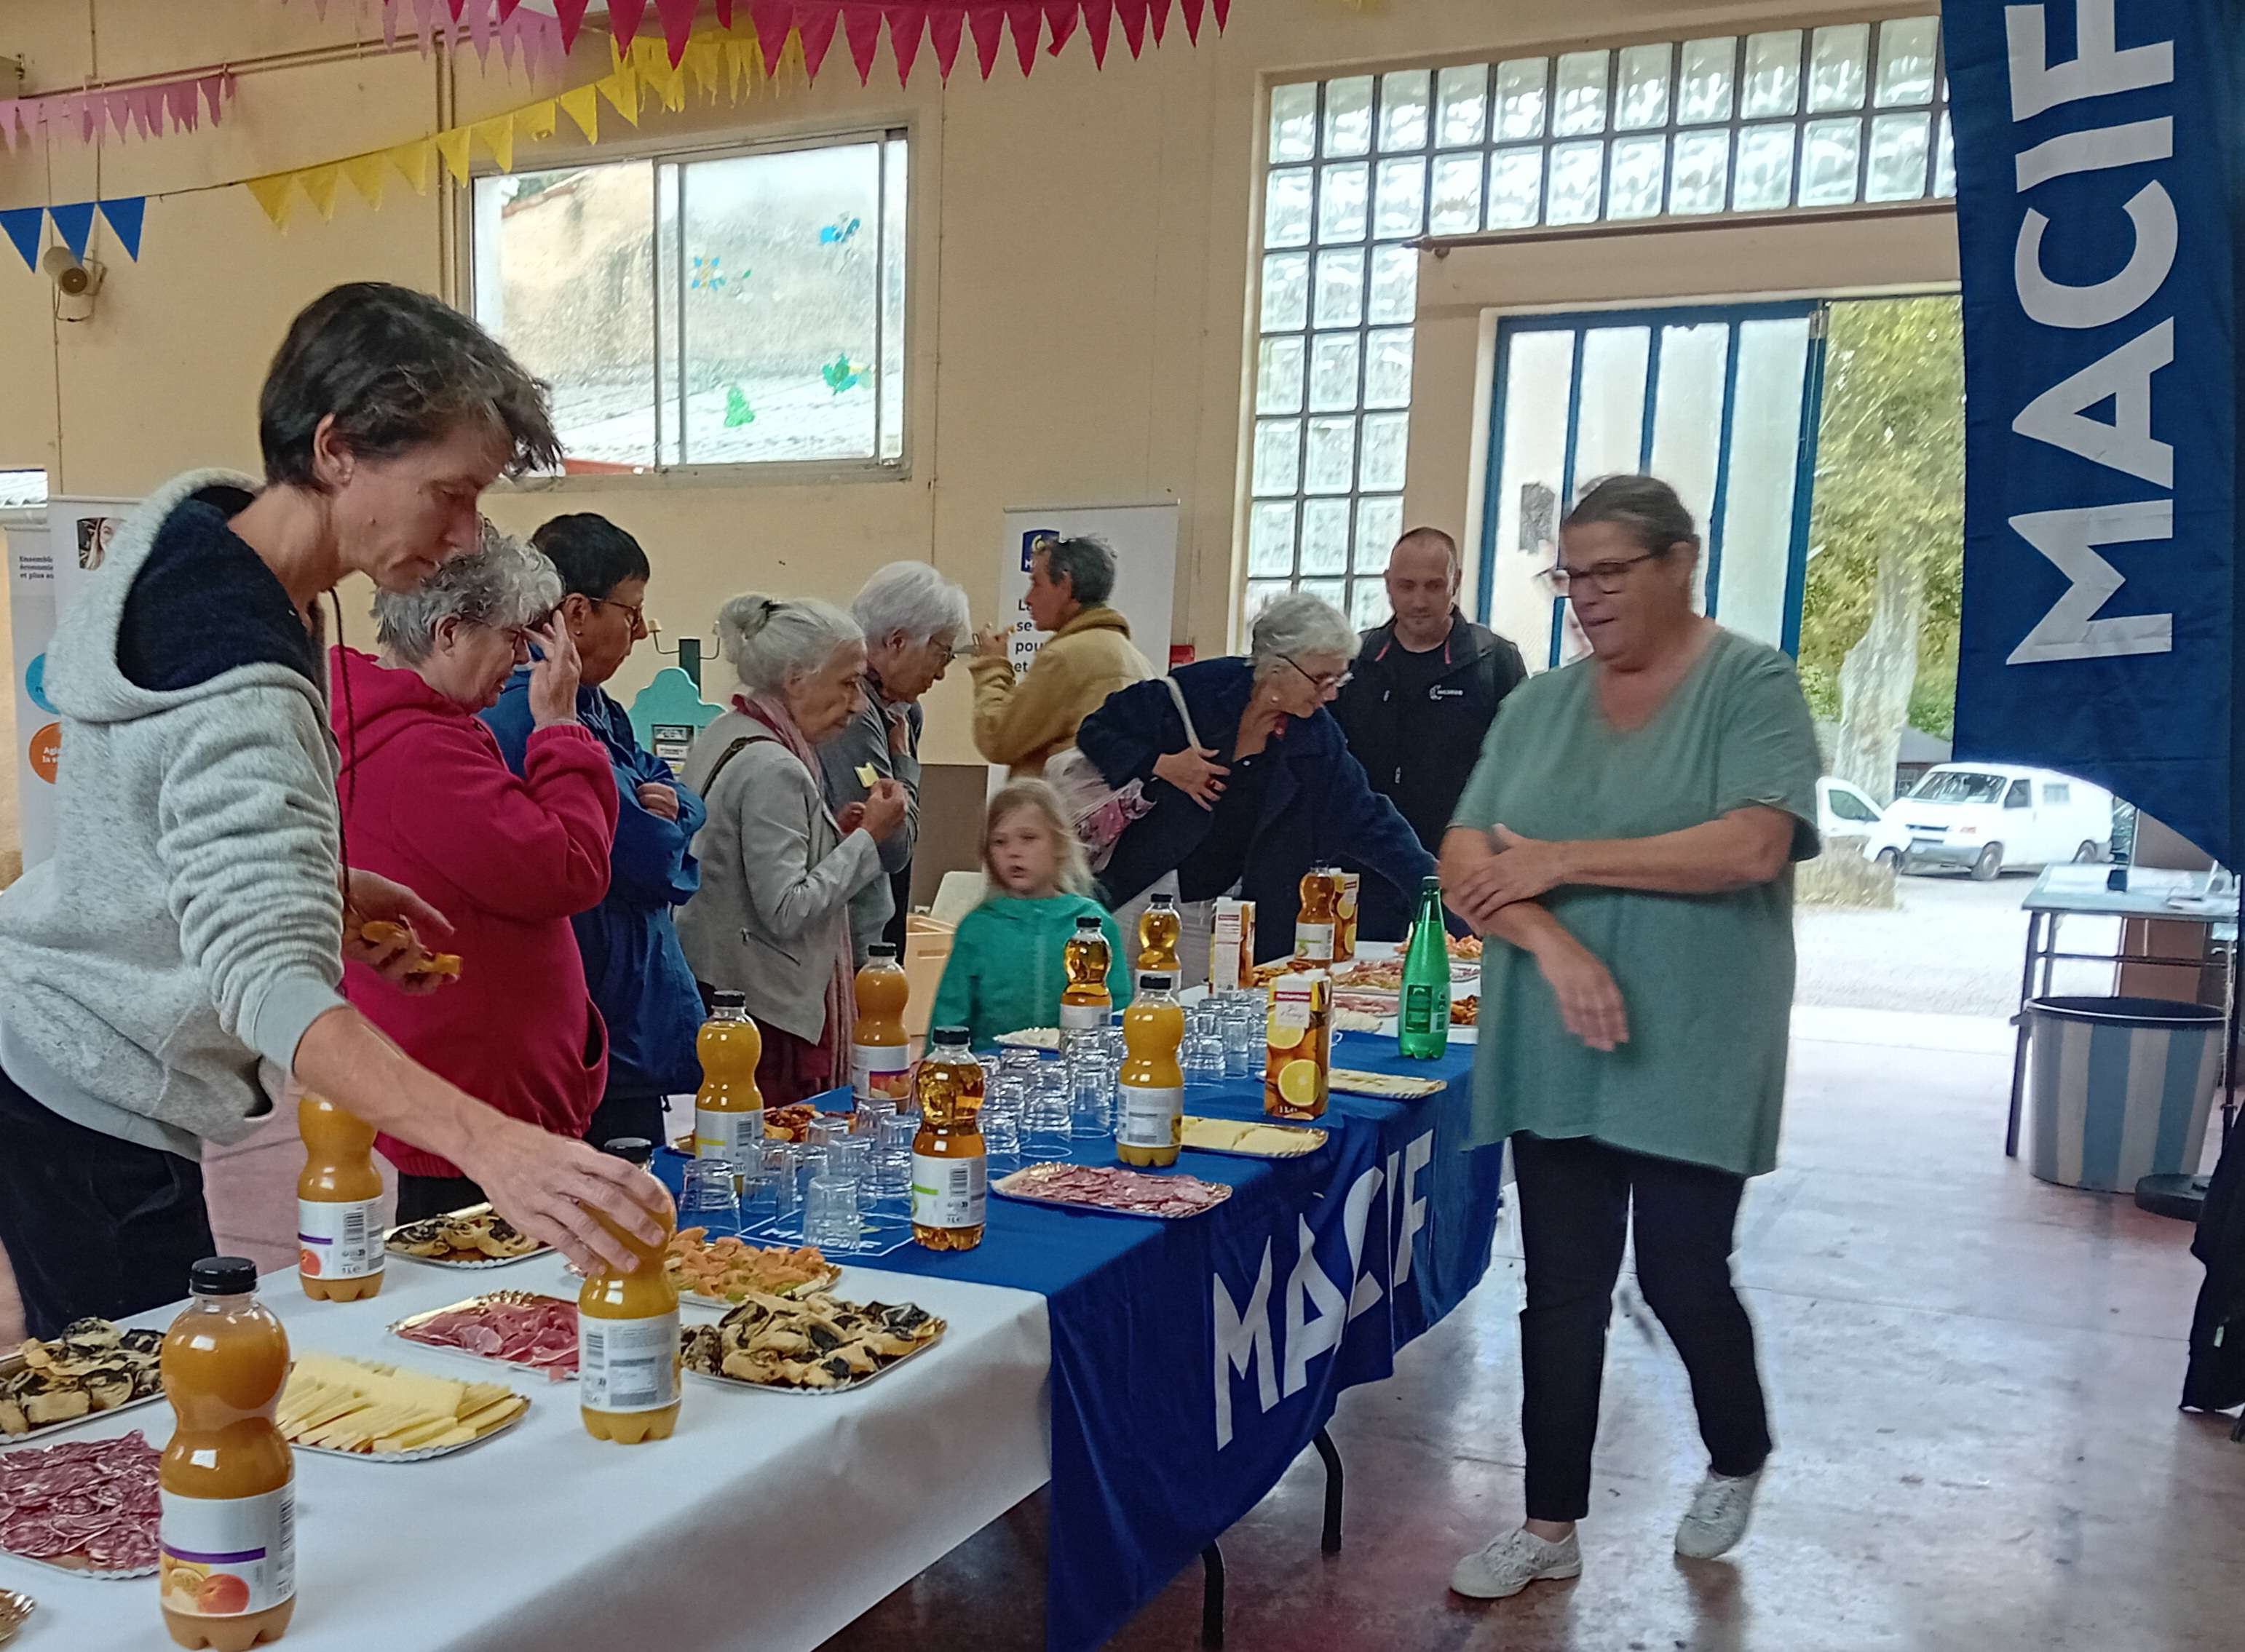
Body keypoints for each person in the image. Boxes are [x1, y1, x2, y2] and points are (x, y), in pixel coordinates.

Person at [0, 282, 667, 1338]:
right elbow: (268, 982)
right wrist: (494, 1144)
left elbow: (152, 819)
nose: (462, 535)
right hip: (92, 1083)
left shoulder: (214, 539)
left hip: (69, 1056)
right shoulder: (237, 663)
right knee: (154, 1428)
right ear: (337, 447)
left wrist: (320, 887)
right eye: (449, 494)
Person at [1438, 475, 1821, 1600]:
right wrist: (1553, 945)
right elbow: (1465, 860)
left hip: (1696, 1034)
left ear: (1679, 562)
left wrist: (1560, 856)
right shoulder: (1539, 705)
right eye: (1571, 575)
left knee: (1682, 1273)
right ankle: (1548, 1520)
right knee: (1561, 1286)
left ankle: (1737, 1449)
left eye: (1610, 572)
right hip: (1557, 1032)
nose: (1587, 598)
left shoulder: (1751, 683)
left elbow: (1752, 845)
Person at [335, 528, 618, 1224]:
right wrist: (558, 728)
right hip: (475, 1094)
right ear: (450, 631)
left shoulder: (427, 728)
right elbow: (569, 870)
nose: (524, 660)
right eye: (514, 638)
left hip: (477, 1077)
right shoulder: (419, 751)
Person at [486, 512, 708, 1151]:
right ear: (576, 612)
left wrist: (677, 810)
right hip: (592, 1018)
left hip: (622, 1013)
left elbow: (675, 792)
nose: (640, 631)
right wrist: (668, 821)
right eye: (631, 611)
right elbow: (648, 853)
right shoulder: (531, 707)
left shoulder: (595, 704)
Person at [1074, 590, 1438, 964]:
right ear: (1278, 667)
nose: (1330, 694)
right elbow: (1096, 731)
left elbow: (1371, 819)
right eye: (1321, 679)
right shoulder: (1198, 690)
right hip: (1140, 886)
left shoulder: (1316, 737)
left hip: (1225, 908)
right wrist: (1160, 763)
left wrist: (1434, 888)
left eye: (1339, 680)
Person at [677, 595, 908, 1105]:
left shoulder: (726, 730)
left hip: (717, 986)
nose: (858, 704)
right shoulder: (775, 766)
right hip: (763, 1018)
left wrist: (837, 839)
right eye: (848, 683)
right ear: (796, 679)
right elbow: (786, 909)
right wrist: (870, 839)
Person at [1332, 526, 1527, 941]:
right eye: (1406, 586)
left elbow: (1520, 767)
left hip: (1460, 869)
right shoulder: (1355, 662)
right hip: (1366, 871)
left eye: (1434, 586)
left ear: (1455, 584)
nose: (1419, 601)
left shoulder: (1494, 661)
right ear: (1387, 585)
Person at [819, 560, 970, 961]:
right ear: (898, 642)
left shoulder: (900, 712)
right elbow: (893, 847)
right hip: (845, 940)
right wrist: (903, 764)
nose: (941, 672)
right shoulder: (855, 714)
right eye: (943, 653)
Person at [930, 779, 1133, 1048]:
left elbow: (1118, 1012)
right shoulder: (977, 928)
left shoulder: (1094, 927)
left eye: (1028, 838)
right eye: (999, 842)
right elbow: (948, 1017)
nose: (1013, 852)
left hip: (1072, 1074)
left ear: (1060, 844)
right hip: (991, 1075)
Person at [968, 534, 1152, 777]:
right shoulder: (1137, 660)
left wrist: (993, 664)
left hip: (1061, 811)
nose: (1028, 599)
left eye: (1036, 583)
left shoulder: (1065, 658)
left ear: (1065, 584)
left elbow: (997, 738)